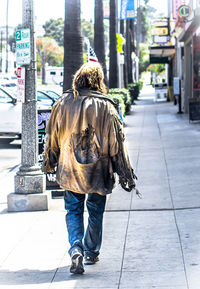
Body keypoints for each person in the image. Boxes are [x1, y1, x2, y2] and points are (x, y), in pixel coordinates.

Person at [42, 62, 139, 274]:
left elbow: (52, 137)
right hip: (98, 170)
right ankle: (91, 252)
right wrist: (124, 172)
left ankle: (76, 247)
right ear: (98, 81)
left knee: (73, 210)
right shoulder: (107, 106)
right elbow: (118, 143)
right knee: (96, 211)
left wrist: (50, 160)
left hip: (70, 170)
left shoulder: (62, 103)